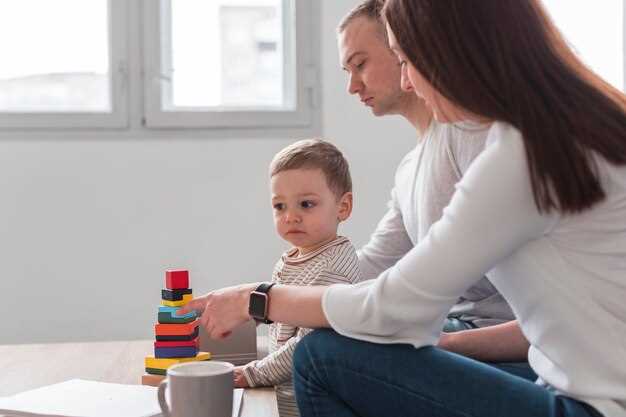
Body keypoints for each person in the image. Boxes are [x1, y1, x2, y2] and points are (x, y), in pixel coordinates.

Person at [180, 0, 626, 416]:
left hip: (587, 405)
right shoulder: (566, 127)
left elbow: (397, 307)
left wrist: (258, 300)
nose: (409, 80)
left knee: (323, 358)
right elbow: (376, 280)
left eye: (407, 60)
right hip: (568, 388)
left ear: (448, 51)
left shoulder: (523, 153)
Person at [337, 0, 533, 372]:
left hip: (505, 347)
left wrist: (440, 344)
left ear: (403, 49)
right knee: (332, 335)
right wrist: (271, 293)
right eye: (346, 70)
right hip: (456, 329)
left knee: (329, 354)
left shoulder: (477, 138)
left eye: (360, 64)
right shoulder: (410, 168)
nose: (351, 85)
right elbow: (369, 268)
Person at [230, 139, 360, 417]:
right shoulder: (294, 258)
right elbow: (281, 323)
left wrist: (253, 373)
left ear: (343, 207)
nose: (290, 216)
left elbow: (306, 344)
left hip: (311, 401)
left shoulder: (334, 266)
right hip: (286, 392)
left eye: (306, 204)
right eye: (279, 206)